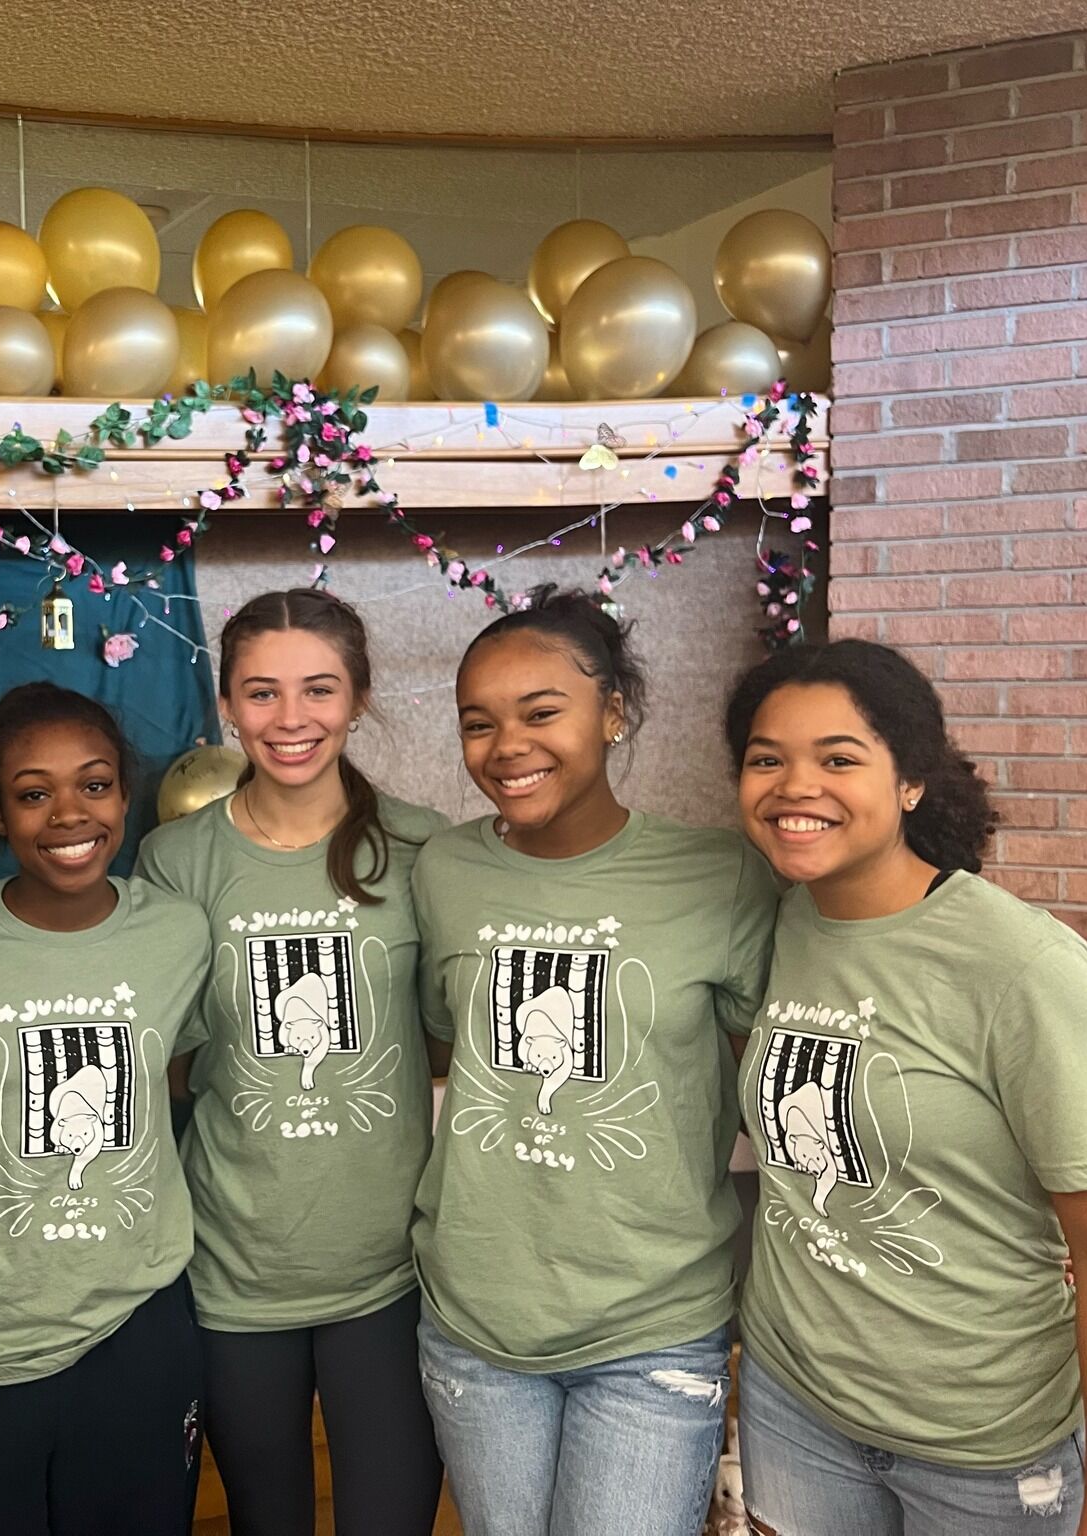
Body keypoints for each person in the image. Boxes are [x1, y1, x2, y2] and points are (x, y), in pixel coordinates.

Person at [723, 640, 1087, 1536]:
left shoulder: (1023, 967)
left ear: (912, 782)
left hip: (986, 1447)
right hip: (795, 1406)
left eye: (838, 759)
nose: (796, 785)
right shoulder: (780, 922)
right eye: (767, 759)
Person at [410, 584, 776, 1536]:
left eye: (541, 713)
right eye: (478, 723)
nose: (507, 746)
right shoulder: (443, 871)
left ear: (613, 711)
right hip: (475, 1322)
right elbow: (447, 1044)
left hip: (653, 1327)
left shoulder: (719, 875)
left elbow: (769, 1091)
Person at [135, 589, 445, 1535]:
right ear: (228, 704)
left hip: (391, 1271)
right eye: (261, 692)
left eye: (318, 689)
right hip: (234, 1272)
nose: (290, 718)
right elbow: (166, 1060)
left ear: (358, 697)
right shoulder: (175, 860)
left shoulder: (423, 848)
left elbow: (445, 1035)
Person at [0, 682, 211, 1536]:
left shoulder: (178, 933)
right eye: (34, 794)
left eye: (94, 785)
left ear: (125, 798)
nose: (69, 814)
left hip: (137, 1326)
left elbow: (174, 1081)